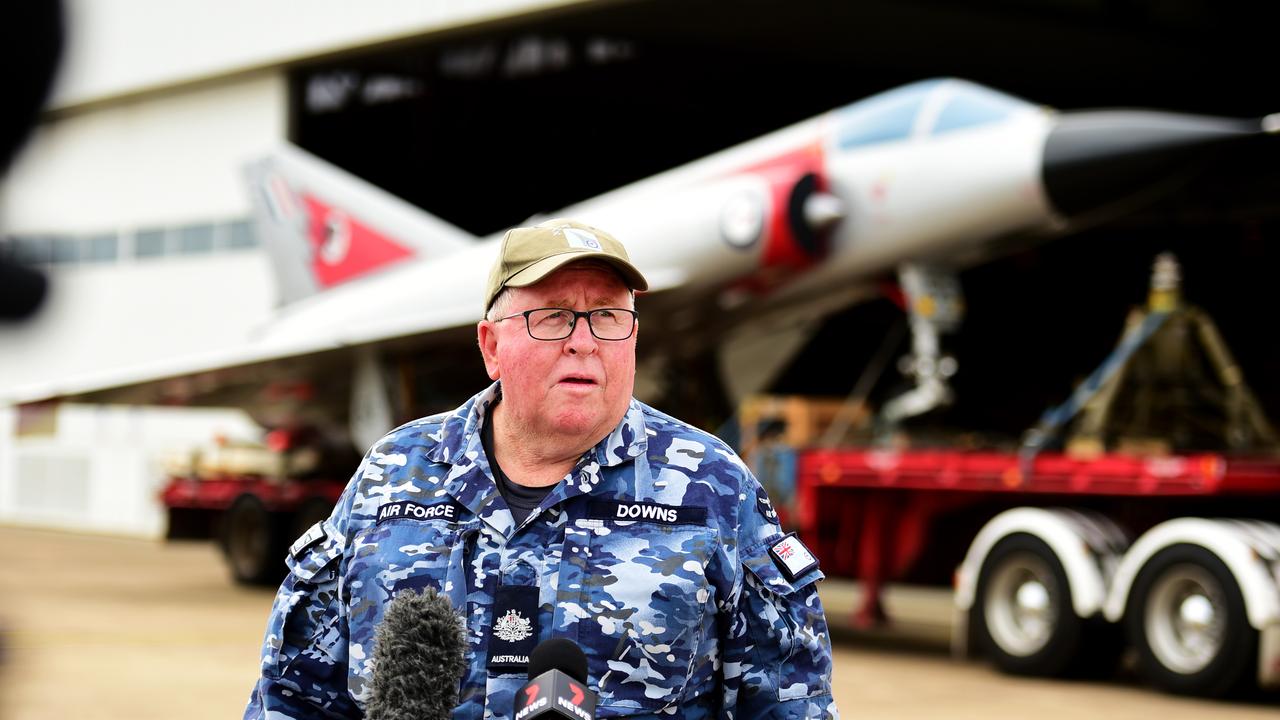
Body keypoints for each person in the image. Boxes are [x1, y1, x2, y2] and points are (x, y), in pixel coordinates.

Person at [244, 218, 838, 720]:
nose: (584, 342)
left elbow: (791, 704)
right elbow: (291, 697)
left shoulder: (713, 487)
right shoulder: (393, 473)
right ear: (491, 346)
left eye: (607, 316)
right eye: (552, 316)